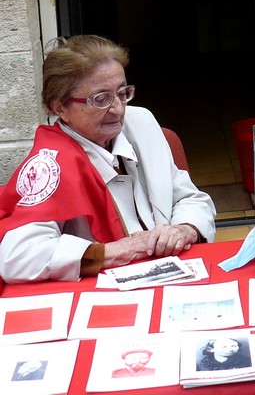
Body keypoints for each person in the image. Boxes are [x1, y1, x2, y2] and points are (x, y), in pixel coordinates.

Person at [0, 35, 216, 283]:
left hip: (172, 274)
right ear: (60, 107)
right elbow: (15, 256)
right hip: (104, 293)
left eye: (123, 93)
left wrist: (183, 229)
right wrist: (110, 252)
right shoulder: (51, 164)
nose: (118, 108)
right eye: (100, 99)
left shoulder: (141, 121)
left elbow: (191, 198)